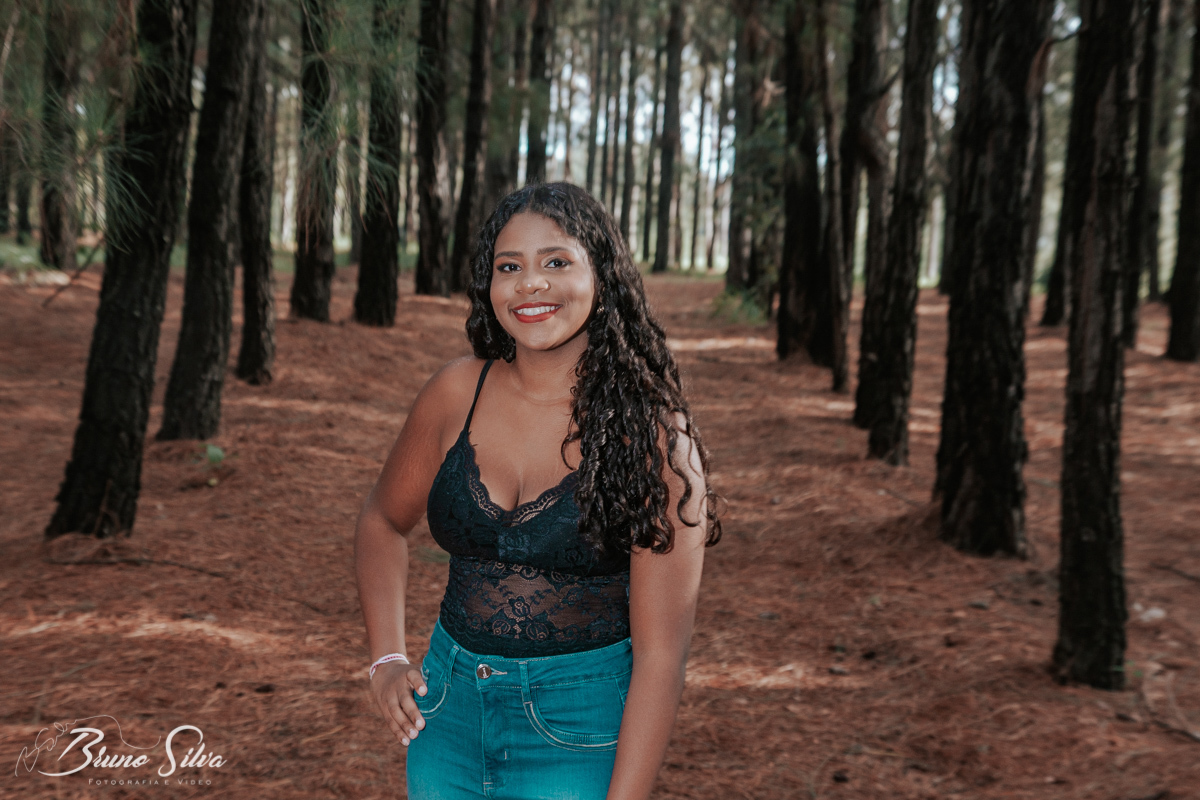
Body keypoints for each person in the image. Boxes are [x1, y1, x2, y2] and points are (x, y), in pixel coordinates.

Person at [354, 182, 723, 800]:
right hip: (444, 716)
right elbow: (381, 522)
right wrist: (386, 659)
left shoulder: (654, 438)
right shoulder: (454, 393)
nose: (530, 284)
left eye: (556, 261)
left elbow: (662, 660)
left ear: (601, 274)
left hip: (580, 728)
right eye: (509, 267)